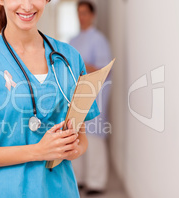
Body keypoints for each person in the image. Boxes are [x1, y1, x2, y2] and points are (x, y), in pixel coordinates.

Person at [0, 0, 101, 197]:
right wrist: (39, 151)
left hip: (61, 190)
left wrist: (73, 148)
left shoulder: (69, 58)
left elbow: (81, 138)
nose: (26, 6)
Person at [69, 1, 112, 195]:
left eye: (85, 13)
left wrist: (83, 65)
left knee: (94, 135)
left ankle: (96, 181)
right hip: (77, 92)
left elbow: (104, 68)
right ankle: (79, 178)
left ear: (92, 15)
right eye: (78, 13)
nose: (81, 16)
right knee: (77, 134)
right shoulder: (74, 39)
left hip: (95, 92)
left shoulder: (99, 39)